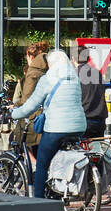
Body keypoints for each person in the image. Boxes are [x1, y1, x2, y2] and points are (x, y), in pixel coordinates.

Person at [10, 49, 86, 200]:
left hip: (57, 128)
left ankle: (39, 200)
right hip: (79, 127)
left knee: (42, 165)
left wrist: (13, 114)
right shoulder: (75, 78)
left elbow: (31, 105)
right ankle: (60, 190)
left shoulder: (49, 78)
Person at [12, 42, 50, 151]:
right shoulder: (48, 69)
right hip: (48, 115)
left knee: (21, 144)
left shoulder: (33, 72)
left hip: (34, 117)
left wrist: (15, 106)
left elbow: (27, 98)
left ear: (30, 56)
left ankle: (34, 166)